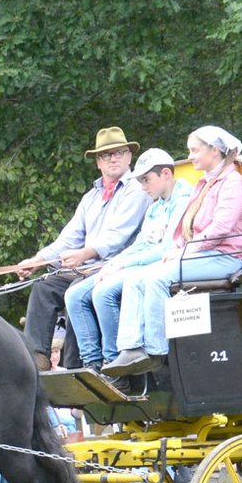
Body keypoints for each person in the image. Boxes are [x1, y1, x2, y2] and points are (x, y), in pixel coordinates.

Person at [100, 125, 242, 377]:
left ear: (214, 150)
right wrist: (179, 247)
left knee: (158, 278)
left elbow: (221, 230)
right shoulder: (205, 183)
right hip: (201, 253)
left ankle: (156, 351)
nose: (191, 156)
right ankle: (130, 348)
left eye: (195, 150)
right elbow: (187, 226)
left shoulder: (232, 183)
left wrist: (185, 251)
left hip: (224, 256)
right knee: (137, 277)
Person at [13, 127, 150, 370]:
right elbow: (68, 239)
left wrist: (85, 254)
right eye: (106, 155)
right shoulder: (91, 198)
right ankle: (36, 358)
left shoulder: (137, 190)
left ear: (129, 156)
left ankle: (78, 366)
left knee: (76, 291)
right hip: (86, 269)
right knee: (44, 287)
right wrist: (38, 259)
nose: (113, 159)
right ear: (98, 162)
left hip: (117, 267)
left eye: (119, 152)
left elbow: (118, 235)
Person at [64, 147, 195, 371]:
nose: (143, 187)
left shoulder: (183, 202)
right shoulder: (156, 207)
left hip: (157, 266)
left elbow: (166, 248)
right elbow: (141, 243)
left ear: (165, 174)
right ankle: (91, 363)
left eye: (146, 180)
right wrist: (114, 263)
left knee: (103, 293)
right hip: (137, 264)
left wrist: (122, 263)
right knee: (74, 295)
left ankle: (115, 364)